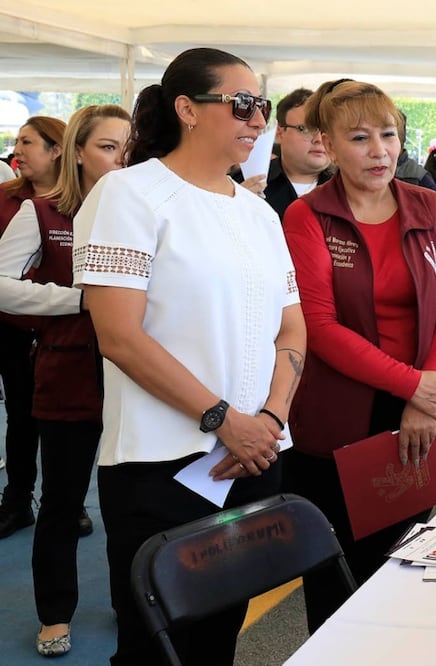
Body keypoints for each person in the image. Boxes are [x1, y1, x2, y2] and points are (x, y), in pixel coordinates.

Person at [73, 47, 305, 665]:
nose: (259, 121)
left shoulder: (258, 212)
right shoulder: (131, 195)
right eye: (244, 104)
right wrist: (226, 420)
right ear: (187, 109)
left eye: (265, 108)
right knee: (159, 644)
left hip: (255, 456)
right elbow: (120, 336)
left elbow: (292, 330)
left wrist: (272, 421)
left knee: (220, 632)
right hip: (164, 463)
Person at [281, 79, 436, 633]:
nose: (379, 150)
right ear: (328, 145)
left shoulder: (429, 207)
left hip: (417, 410)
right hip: (338, 418)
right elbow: (318, 325)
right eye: (360, 138)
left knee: (401, 563)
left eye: (388, 135)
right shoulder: (308, 216)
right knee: (338, 577)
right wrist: (412, 386)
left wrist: (426, 389)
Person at [0, 104, 130, 657]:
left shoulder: (146, 212)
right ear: (77, 151)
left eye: (127, 146)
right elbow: (1, 286)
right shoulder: (44, 211)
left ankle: (135, 600)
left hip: (138, 375)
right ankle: (55, 612)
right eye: (107, 146)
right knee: (62, 500)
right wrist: (79, 300)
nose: (121, 157)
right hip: (71, 370)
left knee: (130, 503)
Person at [0, 116, 66, 541]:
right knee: (20, 416)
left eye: (27, 142)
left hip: (64, 334)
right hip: (12, 329)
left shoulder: (83, 201)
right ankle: (18, 499)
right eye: (17, 142)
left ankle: (68, 502)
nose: (17, 150)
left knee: (63, 422)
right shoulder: (5, 198)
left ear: (57, 149)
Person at [231, 87, 333, 220]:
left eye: (325, 130)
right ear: (280, 133)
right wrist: (233, 207)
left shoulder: (348, 188)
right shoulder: (240, 185)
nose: (319, 139)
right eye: (306, 129)